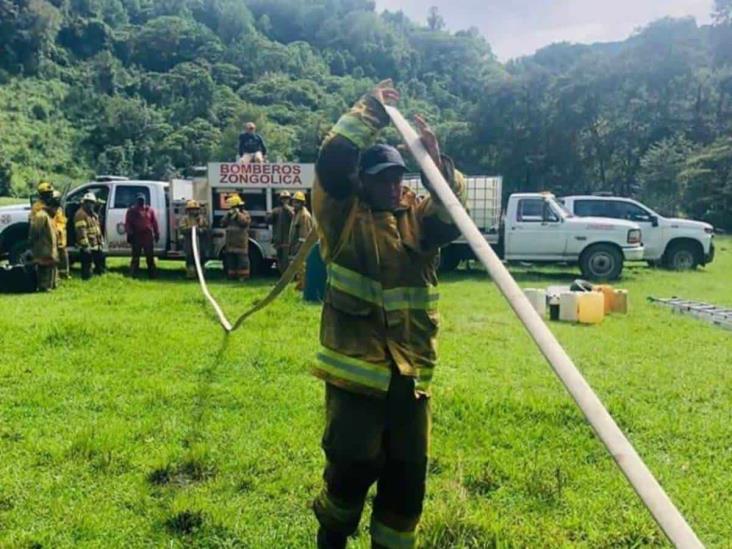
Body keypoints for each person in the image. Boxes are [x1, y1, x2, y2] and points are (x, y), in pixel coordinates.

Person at [310, 80, 467, 549]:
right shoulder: (341, 216)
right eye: (382, 177)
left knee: (406, 479)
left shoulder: (417, 222)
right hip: (358, 379)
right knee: (351, 467)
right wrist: (371, 111)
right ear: (363, 180)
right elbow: (333, 161)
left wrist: (437, 166)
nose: (393, 185)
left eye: (400, 177)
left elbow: (452, 213)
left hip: (410, 381)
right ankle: (331, 538)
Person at [29, 190, 61, 291]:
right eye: (55, 209)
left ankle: (51, 285)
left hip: (49, 249)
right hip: (43, 248)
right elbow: (34, 230)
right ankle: (43, 287)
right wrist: (32, 243)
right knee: (44, 268)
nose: (56, 212)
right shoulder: (41, 215)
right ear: (51, 207)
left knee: (51, 267)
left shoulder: (49, 216)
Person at [125, 193, 159, 278]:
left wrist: (157, 233)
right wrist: (129, 233)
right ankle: (133, 274)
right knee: (135, 256)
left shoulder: (150, 210)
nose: (141, 201)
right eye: (139, 200)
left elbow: (154, 222)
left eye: (142, 200)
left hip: (148, 236)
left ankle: (152, 275)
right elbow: (128, 223)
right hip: (136, 235)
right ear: (137, 201)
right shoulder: (131, 210)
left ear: (145, 200)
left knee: (150, 256)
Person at [74, 192, 105, 280]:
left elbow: (97, 229)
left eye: (92, 203)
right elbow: (81, 231)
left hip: (95, 244)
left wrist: (100, 241)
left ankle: (99, 278)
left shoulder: (92, 214)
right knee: (87, 265)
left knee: (100, 263)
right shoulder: (81, 214)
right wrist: (85, 246)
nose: (90, 204)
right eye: (88, 202)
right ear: (84, 203)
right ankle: (86, 280)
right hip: (88, 246)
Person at [221, 194, 251, 280]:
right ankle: (231, 276)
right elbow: (222, 223)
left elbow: (245, 223)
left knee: (243, 261)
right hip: (230, 243)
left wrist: (238, 214)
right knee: (231, 262)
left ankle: (243, 277)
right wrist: (228, 216)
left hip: (241, 242)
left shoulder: (245, 214)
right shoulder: (229, 215)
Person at [288, 191, 313, 290]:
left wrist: (299, 248)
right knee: (298, 267)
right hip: (296, 245)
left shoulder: (304, 215)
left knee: (302, 267)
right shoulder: (297, 213)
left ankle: (304, 286)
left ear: (302, 203)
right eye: (294, 202)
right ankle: (300, 284)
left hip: (301, 246)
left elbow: (304, 235)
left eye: (297, 202)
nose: (294, 204)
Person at [179, 200, 209, 279]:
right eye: (192, 209)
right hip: (189, 241)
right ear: (188, 210)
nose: (195, 211)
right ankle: (191, 275)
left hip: (200, 241)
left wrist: (200, 230)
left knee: (201, 258)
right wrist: (191, 229)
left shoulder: (202, 219)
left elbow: (206, 228)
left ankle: (201, 274)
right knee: (190, 258)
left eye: (196, 209)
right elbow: (182, 228)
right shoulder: (185, 219)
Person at [267, 190, 294, 275]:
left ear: (289, 200)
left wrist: (288, 209)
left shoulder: (293, 210)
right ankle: (282, 275)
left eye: (286, 198)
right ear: (280, 200)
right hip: (278, 240)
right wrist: (269, 214)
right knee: (279, 259)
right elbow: (269, 221)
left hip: (288, 240)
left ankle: (287, 276)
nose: (285, 200)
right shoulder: (276, 210)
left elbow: (295, 218)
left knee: (286, 259)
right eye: (283, 198)